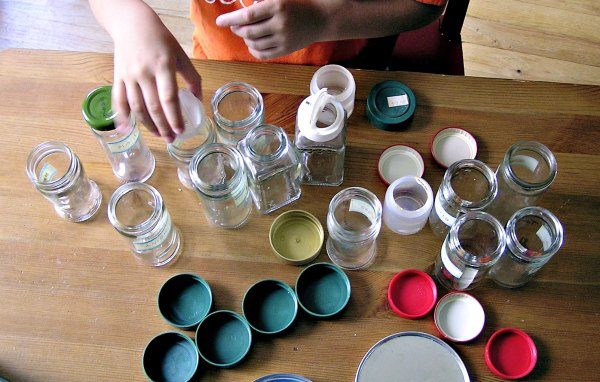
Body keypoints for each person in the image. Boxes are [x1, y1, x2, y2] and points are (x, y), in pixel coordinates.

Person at [89, 0, 446, 143]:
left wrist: (323, 17)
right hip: (224, 73)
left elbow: (426, 6)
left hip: (345, 74)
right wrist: (128, 21)